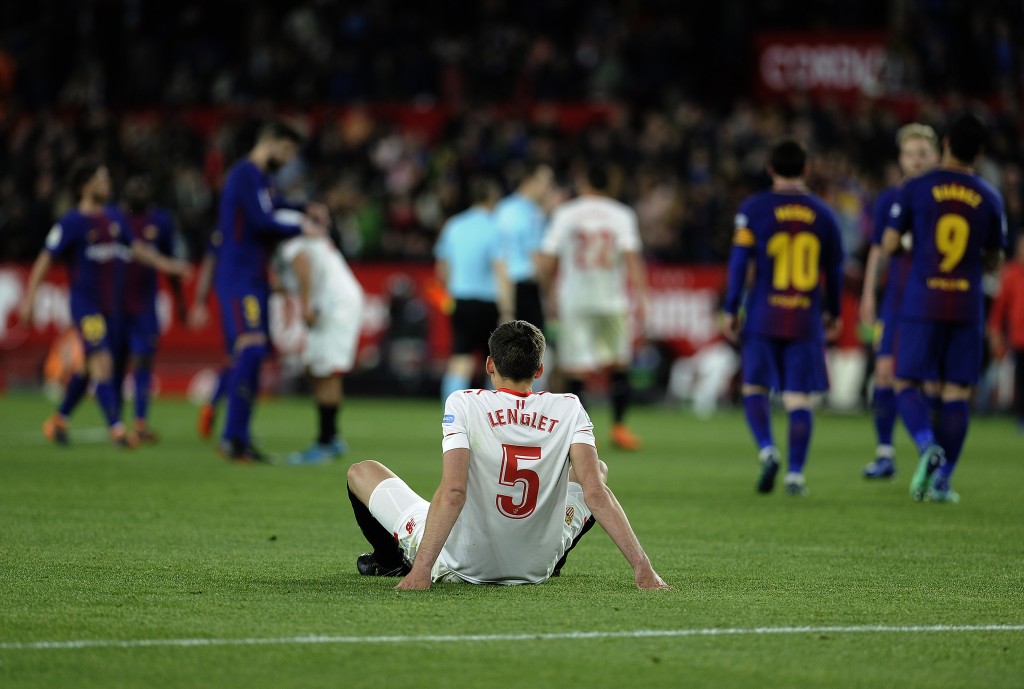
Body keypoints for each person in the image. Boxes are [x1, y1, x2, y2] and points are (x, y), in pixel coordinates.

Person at [346, 319, 669, 590]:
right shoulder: (569, 407)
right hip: (537, 567)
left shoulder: (464, 402)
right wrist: (643, 568)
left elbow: (455, 492)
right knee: (596, 470)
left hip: (462, 564)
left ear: (490, 364)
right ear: (539, 370)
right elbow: (596, 493)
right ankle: (555, 558)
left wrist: (422, 570)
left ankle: (390, 562)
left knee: (361, 471)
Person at [19, 160, 189, 448]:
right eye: (101, 179)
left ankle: (58, 420)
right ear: (85, 187)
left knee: (88, 369)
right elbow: (45, 259)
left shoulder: (114, 217)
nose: (107, 184)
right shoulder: (71, 222)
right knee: (103, 361)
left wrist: (169, 265)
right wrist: (30, 299)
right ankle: (117, 429)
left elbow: (138, 249)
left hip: (112, 307)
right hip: (86, 306)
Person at [883, 113, 1007, 503]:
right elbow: (994, 260)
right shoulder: (990, 196)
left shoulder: (917, 187)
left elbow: (889, 244)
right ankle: (943, 482)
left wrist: (914, 244)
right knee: (957, 392)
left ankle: (926, 445)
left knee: (905, 383)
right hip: (966, 304)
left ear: (946, 144)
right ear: (980, 153)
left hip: (922, 300)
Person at [721, 139, 845, 496]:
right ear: (806, 169)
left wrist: (731, 307)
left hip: (763, 313)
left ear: (770, 169)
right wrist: (834, 311)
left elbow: (739, 262)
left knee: (755, 388)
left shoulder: (754, 209)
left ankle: (767, 449)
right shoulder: (824, 214)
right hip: (805, 317)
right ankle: (795, 475)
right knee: (798, 398)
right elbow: (835, 270)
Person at [213, 120, 326, 462]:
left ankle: (240, 436)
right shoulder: (244, 174)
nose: (288, 159)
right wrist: (302, 225)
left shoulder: (262, 179)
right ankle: (232, 437)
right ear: (272, 142)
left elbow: (273, 206)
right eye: (287, 151)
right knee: (250, 348)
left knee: (256, 352)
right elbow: (261, 221)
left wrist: (304, 208)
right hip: (238, 275)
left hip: (254, 275)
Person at [537, 164, 647, 451]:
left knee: (577, 369)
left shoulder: (565, 213)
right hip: (612, 300)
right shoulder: (622, 214)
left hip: (574, 299)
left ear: (584, 183)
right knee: (619, 364)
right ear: (609, 184)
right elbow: (632, 257)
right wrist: (643, 297)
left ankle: (580, 434)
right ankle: (620, 428)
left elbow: (549, 259)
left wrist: (548, 292)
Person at [859, 124, 941, 479]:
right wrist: (868, 294)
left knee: (933, 382)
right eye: (910, 154)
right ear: (901, 159)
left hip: (934, 299)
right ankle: (885, 454)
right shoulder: (889, 199)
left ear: (936, 156)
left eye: (923, 154)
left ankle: (934, 453)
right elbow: (878, 249)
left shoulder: (944, 198)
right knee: (884, 372)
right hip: (896, 299)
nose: (916, 160)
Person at [277, 233, 365, 464]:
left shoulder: (287, 234)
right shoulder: (302, 232)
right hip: (328, 304)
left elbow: (302, 262)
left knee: (326, 371)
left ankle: (326, 442)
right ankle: (331, 436)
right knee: (312, 368)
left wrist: (306, 304)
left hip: (335, 306)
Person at [117, 175, 187, 442]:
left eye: (143, 188)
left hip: (144, 304)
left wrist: (180, 302)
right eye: (134, 187)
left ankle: (140, 421)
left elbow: (170, 262)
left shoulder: (161, 221)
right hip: (115, 303)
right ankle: (115, 421)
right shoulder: (113, 218)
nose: (138, 192)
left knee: (143, 359)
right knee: (113, 362)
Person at [434, 176, 510, 401]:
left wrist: (453, 289)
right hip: (488, 302)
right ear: (492, 198)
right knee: (495, 362)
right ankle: (493, 413)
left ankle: (451, 414)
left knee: (460, 358)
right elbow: (500, 270)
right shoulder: (495, 227)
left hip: (461, 299)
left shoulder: (454, 225)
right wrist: (507, 309)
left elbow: (442, 268)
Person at [188, 230, 232, 440]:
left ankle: (214, 407)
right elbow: (209, 264)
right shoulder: (225, 231)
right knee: (241, 356)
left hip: (246, 293)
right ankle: (230, 423)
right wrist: (199, 302)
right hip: (238, 297)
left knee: (239, 358)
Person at [988, 234, 1024, 430]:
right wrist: (994, 331)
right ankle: (1021, 417)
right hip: (1018, 337)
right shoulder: (1010, 273)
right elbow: (999, 307)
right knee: (1020, 378)